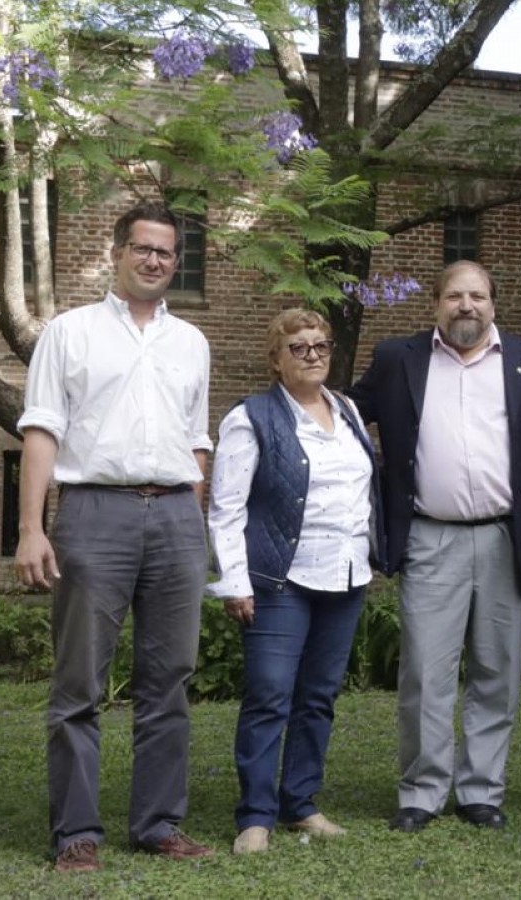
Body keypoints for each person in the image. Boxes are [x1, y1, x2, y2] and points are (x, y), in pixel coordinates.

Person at [15, 202, 215, 872]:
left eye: (166, 251)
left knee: (171, 678)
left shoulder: (191, 342)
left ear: (175, 260)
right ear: (117, 252)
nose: (154, 260)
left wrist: (194, 519)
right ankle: (76, 831)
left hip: (177, 520)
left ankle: (159, 824)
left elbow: (196, 442)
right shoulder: (69, 333)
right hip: (95, 514)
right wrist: (30, 528)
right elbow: (41, 429)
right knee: (79, 682)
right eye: (142, 248)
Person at [348, 260, 521, 832]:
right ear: (436, 303)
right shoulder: (399, 359)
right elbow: (343, 416)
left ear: (494, 303)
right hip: (429, 535)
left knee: (497, 669)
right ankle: (421, 791)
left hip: (505, 536)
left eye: (478, 296)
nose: (466, 306)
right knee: (425, 671)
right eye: (455, 296)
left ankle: (481, 791)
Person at [208, 309, 384, 854]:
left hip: (346, 574)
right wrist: (235, 581)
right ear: (275, 359)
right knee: (268, 696)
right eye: (298, 348)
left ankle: (300, 803)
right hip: (278, 579)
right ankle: (255, 816)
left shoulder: (349, 409)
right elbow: (226, 509)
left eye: (321, 346)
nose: (312, 355)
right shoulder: (251, 419)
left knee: (319, 697)